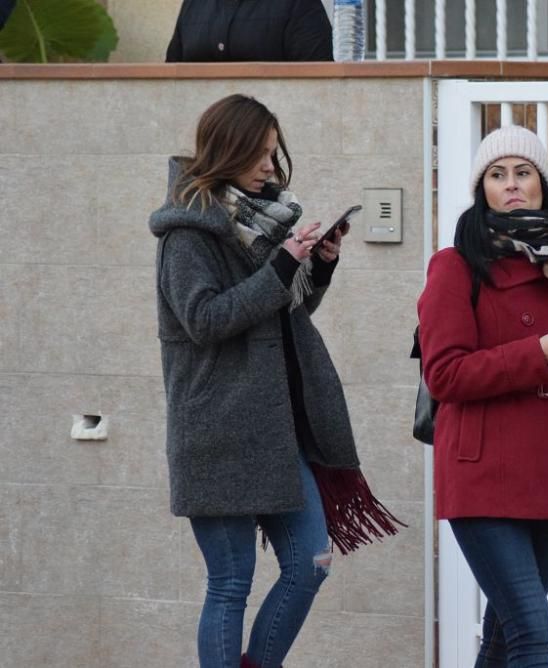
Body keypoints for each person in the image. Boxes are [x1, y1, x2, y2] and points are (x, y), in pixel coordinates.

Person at [149, 94, 400, 668]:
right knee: (231, 582)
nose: (270, 166)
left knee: (311, 561)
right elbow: (206, 320)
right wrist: (282, 265)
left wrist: (319, 267)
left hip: (276, 430)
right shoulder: (186, 236)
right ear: (229, 151)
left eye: (272, 153)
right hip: (217, 434)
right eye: (260, 155)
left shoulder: (257, 224)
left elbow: (277, 321)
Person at [417, 125, 548, 667]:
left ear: (542, 184)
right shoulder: (456, 264)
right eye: (497, 175)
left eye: (523, 173)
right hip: (484, 471)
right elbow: (445, 374)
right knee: (532, 630)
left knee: (506, 634)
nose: (511, 185)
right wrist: (538, 354)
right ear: (481, 188)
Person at [166, 0, 333, 63]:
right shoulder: (193, 4)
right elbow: (170, 79)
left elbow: (318, 86)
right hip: (200, 133)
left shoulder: (299, 4)